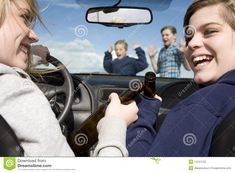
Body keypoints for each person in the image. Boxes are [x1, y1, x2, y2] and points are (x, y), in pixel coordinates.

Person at [94, 0, 235, 156]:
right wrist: (152, 57)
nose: (192, 43)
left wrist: (121, 122)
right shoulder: (160, 53)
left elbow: (187, 66)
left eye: (210, 31)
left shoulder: (202, 105)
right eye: (190, 36)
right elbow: (157, 70)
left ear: (174, 37)